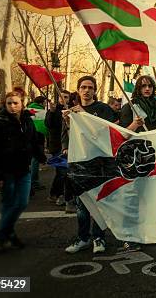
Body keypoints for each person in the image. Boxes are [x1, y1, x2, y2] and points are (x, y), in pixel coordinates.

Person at [62, 76, 118, 254]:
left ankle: (99, 238)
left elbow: (106, 132)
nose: (86, 90)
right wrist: (68, 122)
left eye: (90, 87)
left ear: (95, 90)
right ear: (78, 90)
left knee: (98, 202)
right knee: (81, 205)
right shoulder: (71, 111)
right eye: (83, 87)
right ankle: (83, 238)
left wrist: (84, 116)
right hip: (79, 164)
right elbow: (72, 138)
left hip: (100, 163)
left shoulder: (103, 109)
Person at [0, 91, 46, 250]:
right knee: (9, 203)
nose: (12, 106)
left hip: (23, 170)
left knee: (22, 203)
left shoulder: (26, 120)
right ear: (5, 105)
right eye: (9, 103)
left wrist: (42, 158)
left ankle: (4, 234)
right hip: (6, 172)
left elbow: (32, 141)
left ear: (22, 103)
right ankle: (5, 235)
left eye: (15, 103)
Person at [45, 91, 70, 206]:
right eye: (61, 97)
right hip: (56, 146)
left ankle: (59, 193)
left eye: (66, 97)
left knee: (64, 172)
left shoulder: (70, 110)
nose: (63, 99)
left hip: (67, 146)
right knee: (61, 171)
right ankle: (56, 194)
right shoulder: (53, 110)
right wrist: (52, 111)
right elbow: (48, 124)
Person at [27, 96, 48, 194]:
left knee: (28, 161)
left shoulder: (27, 109)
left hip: (26, 138)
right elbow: (44, 127)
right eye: (44, 102)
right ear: (41, 103)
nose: (45, 104)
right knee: (35, 160)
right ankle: (34, 182)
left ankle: (28, 182)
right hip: (38, 138)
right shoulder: (42, 112)